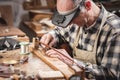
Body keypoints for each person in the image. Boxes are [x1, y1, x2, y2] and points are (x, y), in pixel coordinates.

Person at [40, 0, 120, 80]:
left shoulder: (115, 31)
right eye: (66, 19)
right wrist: (52, 36)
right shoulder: (76, 22)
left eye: (72, 17)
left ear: (88, 5)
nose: (68, 24)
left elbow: (111, 74)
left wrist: (73, 63)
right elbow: (59, 32)